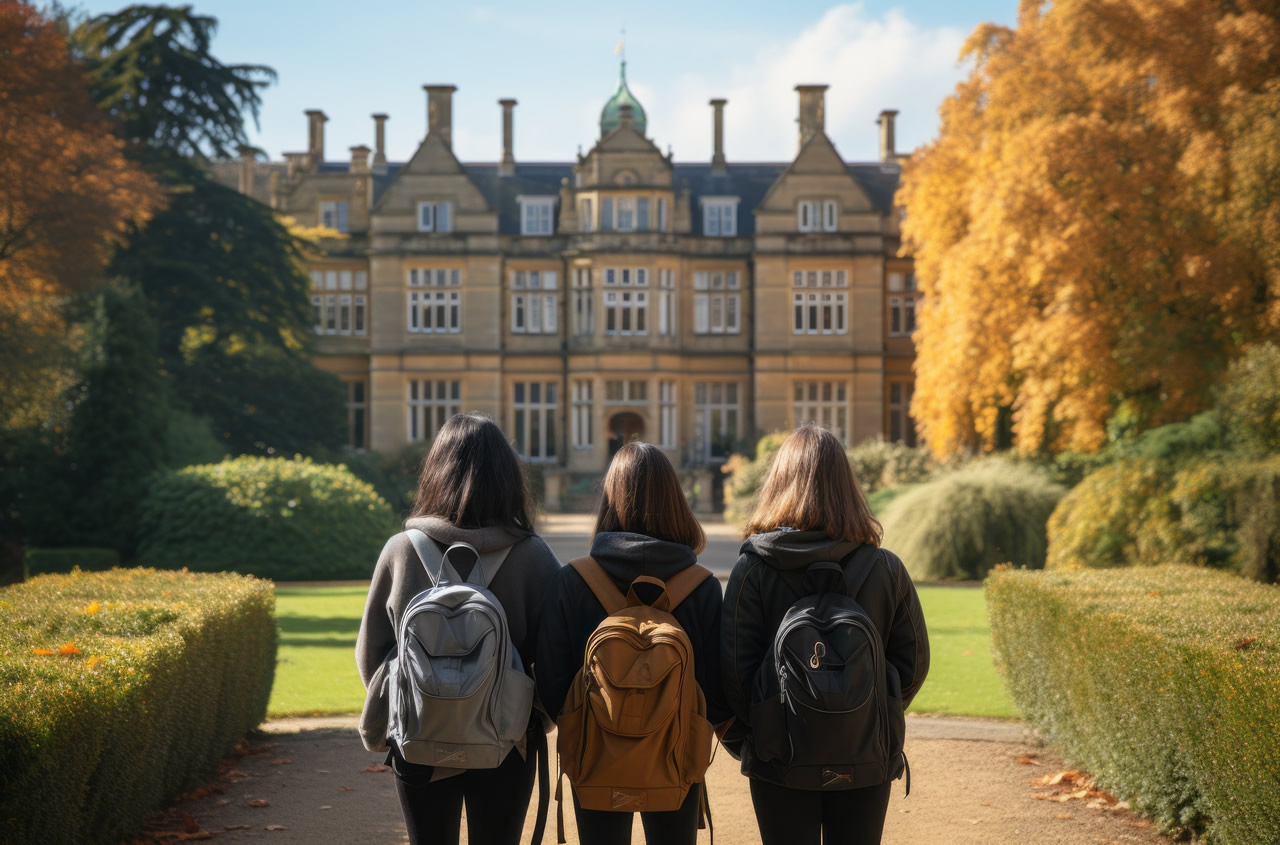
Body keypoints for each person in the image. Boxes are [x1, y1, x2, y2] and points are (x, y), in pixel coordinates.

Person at [355, 413, 561, 845]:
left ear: (434, 472)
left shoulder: (401, 550)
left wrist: (402, 703)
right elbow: (557, 657)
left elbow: (371, 651)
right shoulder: (533, 556)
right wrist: (531, 716)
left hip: (420, 731)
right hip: (506, 738)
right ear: (508, 477)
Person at [721, 424, 930, 845]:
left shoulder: (755, 569)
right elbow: (912, 665)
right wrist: (866, 714)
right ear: (847, 486)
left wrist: (764, 731)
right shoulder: (885, 568)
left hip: (779, 756)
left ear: (779, 482)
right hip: (865, 753)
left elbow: (733, 669)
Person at [535, 442, 729, 845]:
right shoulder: (703, 588)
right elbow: (718, 687)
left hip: (595, 755)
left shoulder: (573, 581)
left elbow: (551, 683)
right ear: (676, 501)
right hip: (675, 757)